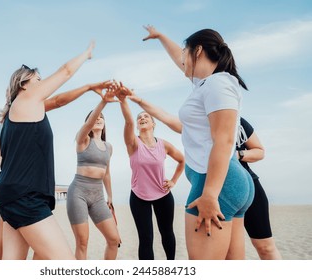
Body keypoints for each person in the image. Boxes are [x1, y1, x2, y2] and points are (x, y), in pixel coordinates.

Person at [124, 25, 255, 260]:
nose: (182, 60)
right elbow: (180, 62)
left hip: (215, 184)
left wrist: (211, 194)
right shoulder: (206, 83)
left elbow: (223, 141)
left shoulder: (218, 84)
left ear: (198, 51)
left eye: (186, 53)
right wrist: (162, 36)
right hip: (229, 183)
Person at [0, 41, 102, 260]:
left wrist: (88, 87)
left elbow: (59, 101)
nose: (43, 84)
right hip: (25, 198)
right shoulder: (26, 100)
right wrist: (86, 54)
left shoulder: (18, 112)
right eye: (38, 80)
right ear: (23, 84)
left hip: (14, 195)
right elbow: (66, 71)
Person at [113, 82, 184, 260]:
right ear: (137, 125)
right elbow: (128, 121)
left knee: (167, 233)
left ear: (153, 123)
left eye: (146, 117)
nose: (142, 118)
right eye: (140, 118)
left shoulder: (164, 145)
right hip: (139, 197)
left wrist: (174, 180)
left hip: (163, 194)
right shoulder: (133, 143)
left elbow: (182, 160)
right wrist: (123, 101)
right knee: (146, 238)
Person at [66, 89, 121, 260]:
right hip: (78, 193)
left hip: (98, 196)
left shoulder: (109, 147)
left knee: (114, 239)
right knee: (82, 243)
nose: (98, 119)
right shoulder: (83, 140)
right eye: (95, 117)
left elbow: (107, 173)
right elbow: (89, 123)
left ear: (105, 124)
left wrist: (110, 196)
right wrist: (103, 102)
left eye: (101, 118)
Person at [236, 117, 282, 259]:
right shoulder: (195, 119)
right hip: (213, 191)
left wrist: (238, 154)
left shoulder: (237, 121)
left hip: (250, 185)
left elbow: (259, 151)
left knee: (265, 247)